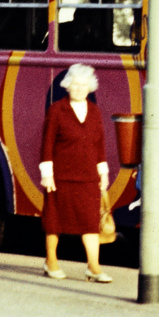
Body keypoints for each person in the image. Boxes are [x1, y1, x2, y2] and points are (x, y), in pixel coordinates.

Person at [39, 63, 111, 283]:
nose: (79, 88)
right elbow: (47, 145)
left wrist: (103, 173)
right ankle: (51, 261)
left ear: (90, 87)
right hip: (60, 177)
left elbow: (100, 146)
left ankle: (94, 267)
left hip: (88, 177)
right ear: (67, 86)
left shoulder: (95, 112)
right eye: (75, 84)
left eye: (84, 85)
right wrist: (47, 174)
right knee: (54, 221)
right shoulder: (56, 111)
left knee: (90, 223)